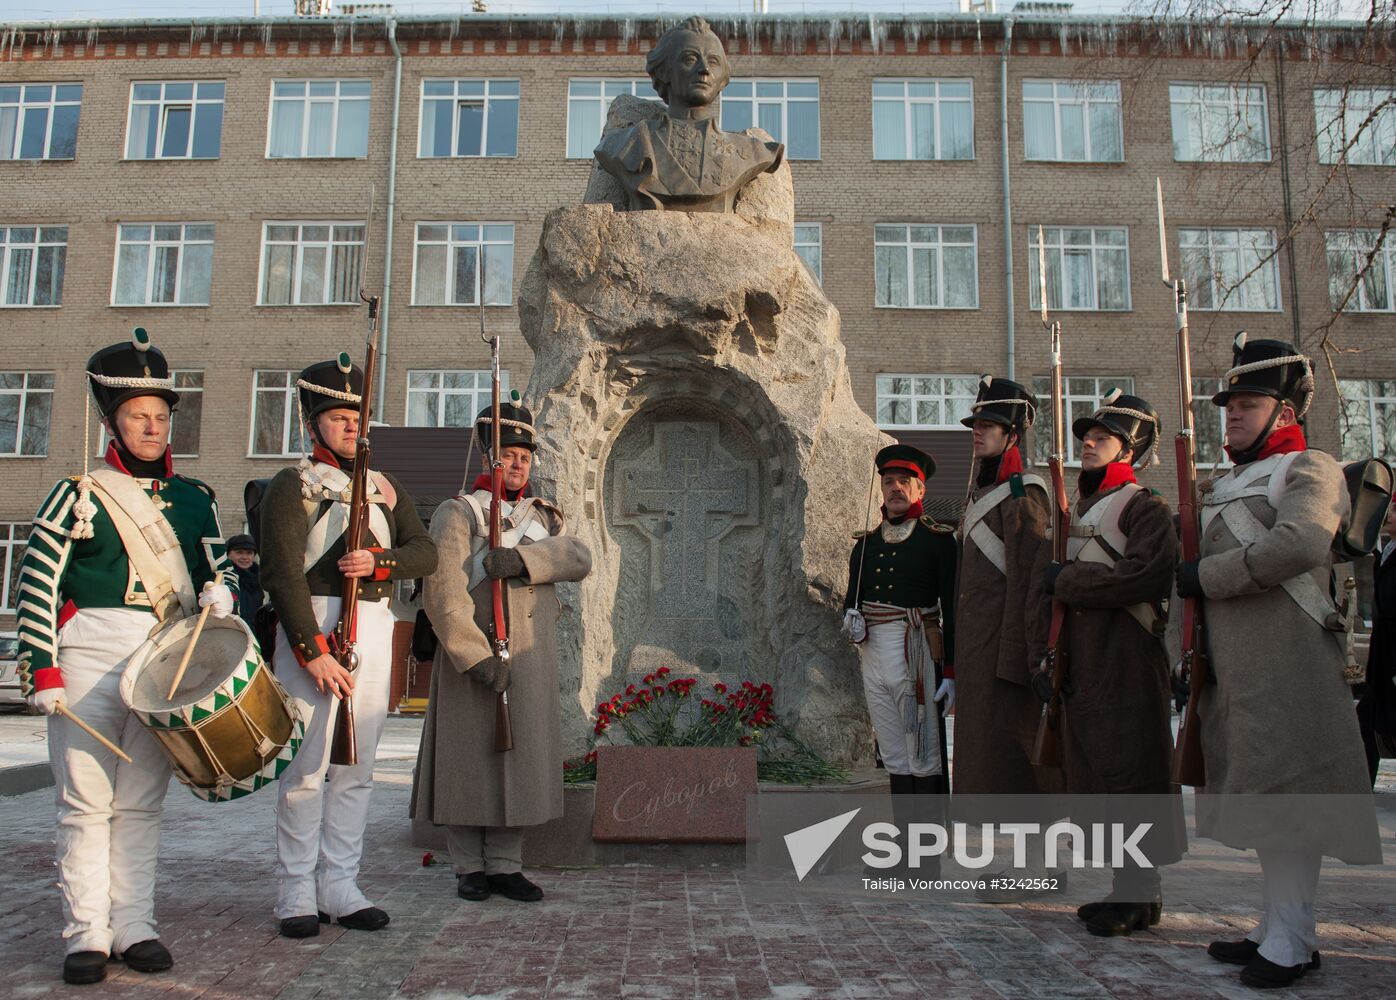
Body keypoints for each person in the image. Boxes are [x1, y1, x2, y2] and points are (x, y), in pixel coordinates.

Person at [16, 330, 236, 985]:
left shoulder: (196, 500)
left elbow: (220, 568)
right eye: (139, 416)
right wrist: (42, 668)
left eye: (162, 417)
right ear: (113, 421)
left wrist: (224, 592)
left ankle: (134, 923)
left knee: (141, 802)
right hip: (86, 655)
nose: (153, 427)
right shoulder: (76, 492)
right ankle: (86, 931)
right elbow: (36, 580)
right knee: (83, 802)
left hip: (162, 656)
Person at [1176, 335, 1381, 988]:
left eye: (1248, 403)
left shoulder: (1309, 468)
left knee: (1290, 805)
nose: (1232, 414)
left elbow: (1300, 544)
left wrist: (1205, 576)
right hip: (1239, 671)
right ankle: (1277, 924)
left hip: (1289, 662)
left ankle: (1293, 939)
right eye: (1229, 404)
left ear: (1285, 413)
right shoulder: (1229, 481)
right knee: (1263, 805)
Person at [260, 355, 437, 938]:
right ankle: (295, 890)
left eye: (356, 419)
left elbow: (423, 551)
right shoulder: (294, 484)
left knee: (356, 768)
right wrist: (312, 651)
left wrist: (379, 562)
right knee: (307, 768)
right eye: (337, 418)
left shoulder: (385, 489)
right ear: (314, 425)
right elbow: (282, 572)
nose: (349, 429)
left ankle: (341, 883)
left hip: (374, 624)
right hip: (313, 627)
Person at [411, 400, 592, 902]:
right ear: (487, 458)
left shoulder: (542, 516)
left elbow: (578, 557)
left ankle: (507, 865)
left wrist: (522, 559)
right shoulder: (458, 512)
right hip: (472, 658)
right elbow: (443, 593)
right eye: (507, 454)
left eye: (524, 457)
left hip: (527, 660)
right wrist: (475, 657)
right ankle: (469, 866)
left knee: (520, 762)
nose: (516, 465)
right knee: (467, 763)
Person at [1036, 390, 1184, 937]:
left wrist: (1069, 581)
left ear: (1131, 447)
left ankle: (1142, 892)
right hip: (1087, 660)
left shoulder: (1147, 506)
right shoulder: (1087, 506)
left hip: (1126, 656)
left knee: (1131, 776)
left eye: (1102, 436)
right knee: (1098, 775)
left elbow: (1144, 576)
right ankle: (1126, 889)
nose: (1088, 443)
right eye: (1086, 436)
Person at [952, 376, 1064, 896]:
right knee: (996, 763)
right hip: (981, 654)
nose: (978, 432)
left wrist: (1028, 657)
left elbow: (1030, 581)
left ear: (1014, 432)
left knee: (1020, 763)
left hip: (1009, 653)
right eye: (976, 423)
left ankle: (1038, 868)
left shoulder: (1026, 495)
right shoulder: (983, 491)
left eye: (989, 425)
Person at [842, 444, 956, 871]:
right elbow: (854, 597)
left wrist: (952, 669)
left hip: (916, 650)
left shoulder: (939, 541)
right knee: (893, 751)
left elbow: (951, 607)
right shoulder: (866, 545)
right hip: (874, 651)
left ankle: (925, 859)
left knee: (922, 754)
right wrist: (849, 618)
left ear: (919, 487)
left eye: (903, 482)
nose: (894, 489)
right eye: (888, 482)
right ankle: (902, 853)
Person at [594, 15, 783, 213]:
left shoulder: (751, 152)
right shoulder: (628, 144)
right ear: (665, 70)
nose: (704, 69)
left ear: (722, 79)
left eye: (714, 61)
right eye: (690, 59)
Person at [1356, 501, 1396, 785]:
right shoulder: (1387, 551)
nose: (1389, 516)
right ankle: (1360, 790)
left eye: (1395, 512)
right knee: (1366, 719)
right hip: (1384, 660)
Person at [225, 533, 263, 630]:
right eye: (239, 552)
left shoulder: (261, 578)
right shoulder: (224, 578)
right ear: (228, 554)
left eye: (249, 553)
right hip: (231, 630)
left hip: (255, 632)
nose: (245, 557)